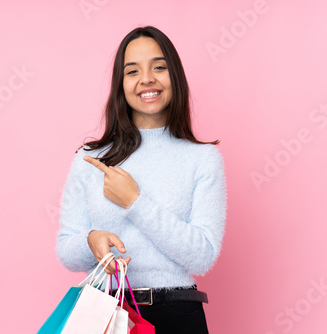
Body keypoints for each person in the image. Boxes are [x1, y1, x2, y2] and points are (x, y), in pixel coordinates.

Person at [56, 25, 227, 334]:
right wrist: (90, 241)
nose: (147, 79)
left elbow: (202, 256)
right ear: (121, 84)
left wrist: (134, 202)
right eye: (132, 71)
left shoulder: (202, 158)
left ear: (174, 76)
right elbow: (66, 249)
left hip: (179, 314)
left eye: (159, 67)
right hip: (106, 314)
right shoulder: (91, 158)